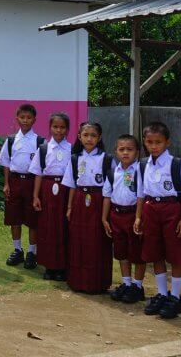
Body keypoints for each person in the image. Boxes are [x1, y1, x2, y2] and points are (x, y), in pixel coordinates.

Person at [134, 122, 181, 319]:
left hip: (172, 210)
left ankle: (175, 297)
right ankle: (162, 293)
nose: (154, 146)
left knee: (175, 255)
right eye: (149, 142)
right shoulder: (143, 165)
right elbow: (141, 193)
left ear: (167, 142)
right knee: (155, 253)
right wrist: (138, 216)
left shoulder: (176, 164)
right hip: (151, 210)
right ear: (144, 142)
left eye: (158, 142)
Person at [61, 121, 113, 294]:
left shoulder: (106, 159)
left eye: (93, 136)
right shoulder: (75, 158)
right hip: (79, 200)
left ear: (99, 138)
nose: (89, 139)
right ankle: (77, 281)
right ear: (79, 137)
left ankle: (97, 283)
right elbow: (71, 185)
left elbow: (111, 186)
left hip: (99, 201)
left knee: (97, 241)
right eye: (85, 135)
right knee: (79, 240)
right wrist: (69, 207)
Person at [0, 104, 44, 269]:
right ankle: (17, 250)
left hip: (31, 183)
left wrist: (37, 192)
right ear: (17, 118)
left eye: (28, 118)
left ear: (34, 120)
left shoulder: (39, 141)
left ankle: (32, 252)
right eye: (22, 117)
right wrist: (6, 183)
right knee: (14, 218)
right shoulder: (11, 140)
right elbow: (6, 163)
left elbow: (41, 168)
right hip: (14, 182)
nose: (25, 120)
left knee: (32, 220)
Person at [103, 134, 146, 304]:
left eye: (130, 149)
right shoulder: (113, 172)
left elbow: (141, 196)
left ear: (137, 152)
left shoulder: (140, 170)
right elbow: (107, 196)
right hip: (116, 215)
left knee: (137, 252)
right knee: (121, 251)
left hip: (133, 215)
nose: (125, 152)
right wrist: (104, 218)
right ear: (116, 151)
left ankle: (137, 286)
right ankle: (127, 283)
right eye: (122, 149)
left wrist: (138, 217)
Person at [30, 112, 71, 281]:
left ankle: (61, 266)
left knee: (63, 226)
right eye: (55, 127)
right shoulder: (43, 149)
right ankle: (49, 266)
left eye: (62, 127)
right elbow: (38, 174)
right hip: (47, 189)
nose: (59, 130)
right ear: (50, 128)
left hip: (65, 189)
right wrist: (35, 196)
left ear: (67, 129)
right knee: (47, 226)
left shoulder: (72, 150)